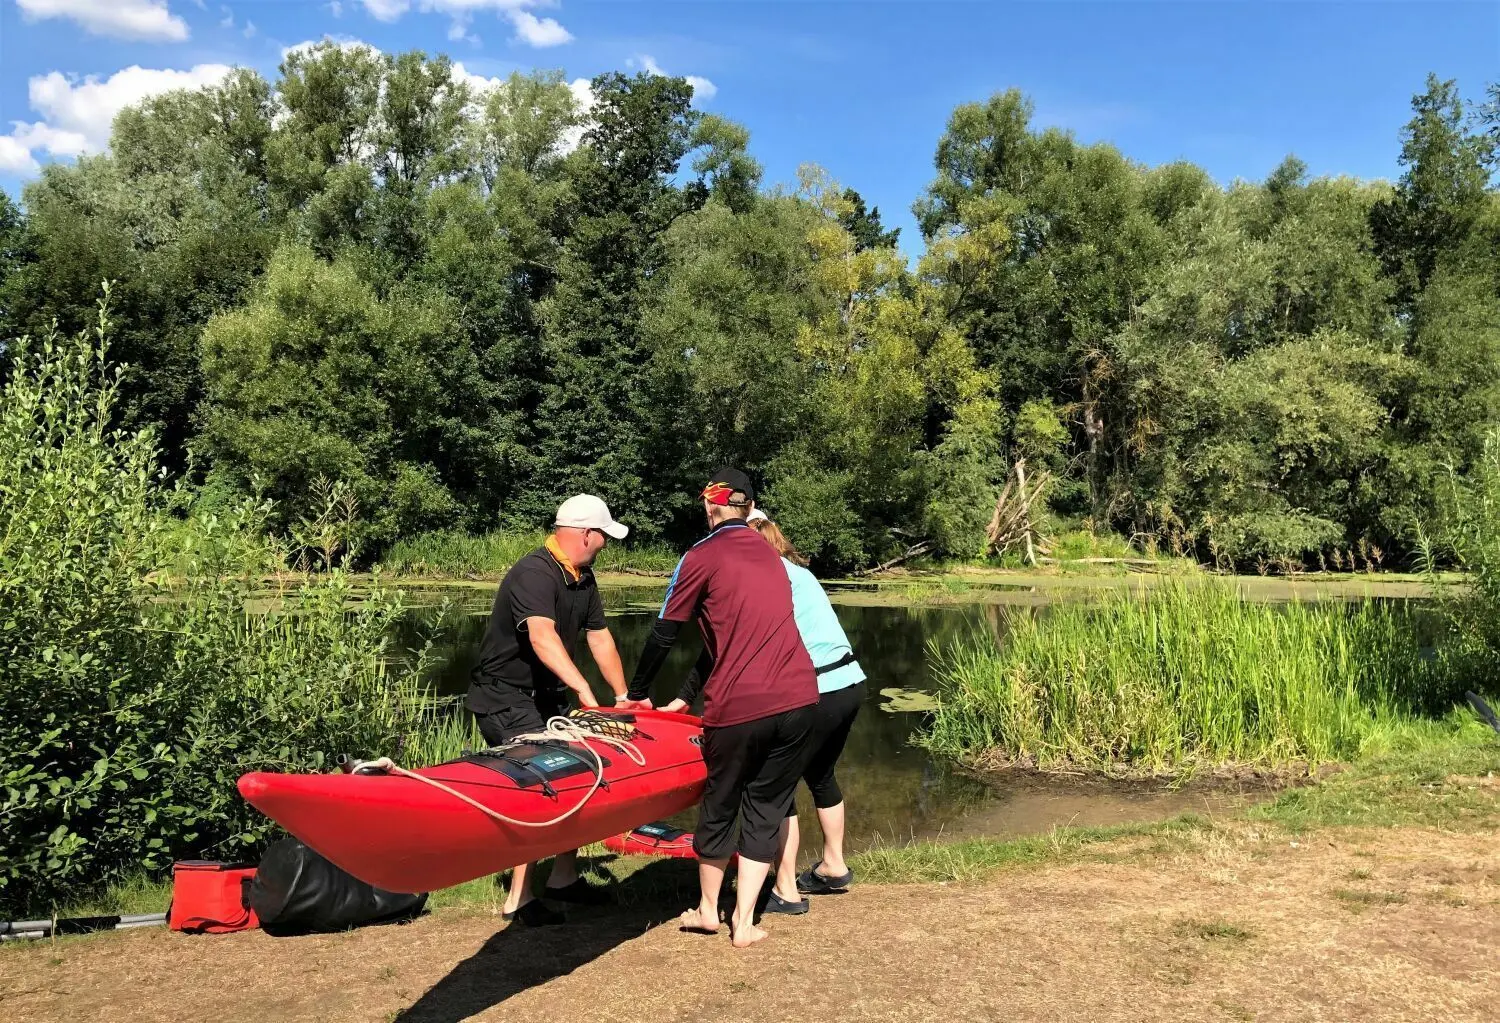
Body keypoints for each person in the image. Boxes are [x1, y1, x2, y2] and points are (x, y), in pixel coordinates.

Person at [625, 468, 818, 948]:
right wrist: (686, 693)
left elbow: (665, 632)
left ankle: (709, 909)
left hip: (740, 704)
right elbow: (731, 636)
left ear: (711, 506)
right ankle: (745, 923)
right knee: (767, 806)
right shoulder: (773, 556)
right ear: (749, 508)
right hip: (799, 698)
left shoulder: (701, 554)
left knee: (721, 800)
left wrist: (637, 690)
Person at [666, 508, 865, 915]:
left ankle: (786, 888)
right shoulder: (800, 572)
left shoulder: (763, 577)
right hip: (850, 682)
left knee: (775, 786)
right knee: (821, 775)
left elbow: (717, 648)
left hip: (816, 688)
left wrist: (685, 697)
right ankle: (833, 862)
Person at [464, 494, 633, 926]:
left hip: (545, 696)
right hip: (504, 697)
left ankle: (563, 879)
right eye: (603, 537)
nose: (605, 545)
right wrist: (584, 691)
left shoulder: (583, 578)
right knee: (540, 787)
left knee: (576, 775)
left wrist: (622, 695)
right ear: (585, 534)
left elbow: (600, 638)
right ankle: (517, 899)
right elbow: (542, 637)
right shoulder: (534, 573)